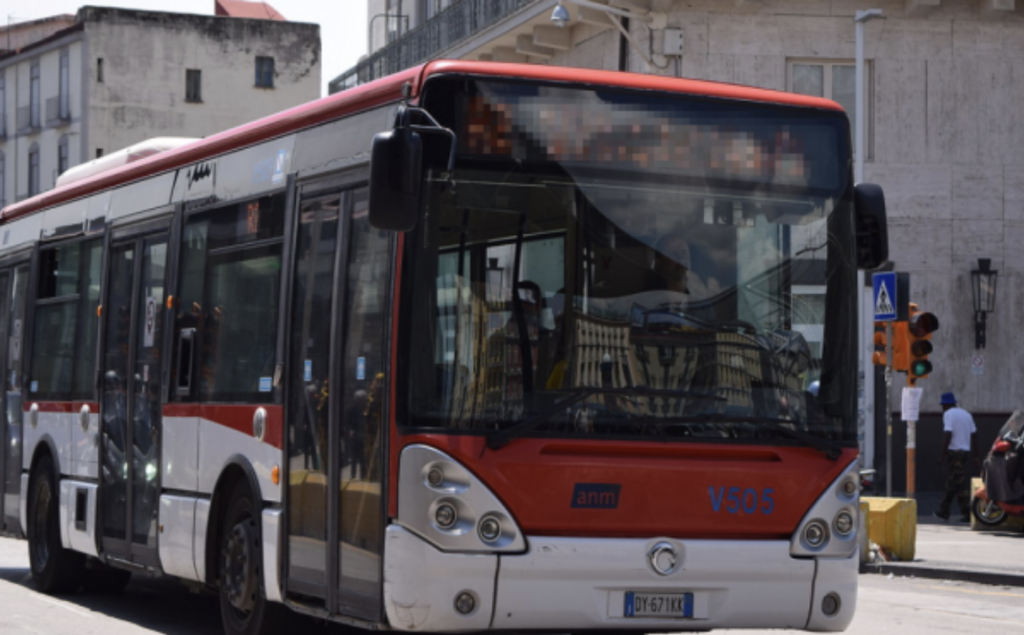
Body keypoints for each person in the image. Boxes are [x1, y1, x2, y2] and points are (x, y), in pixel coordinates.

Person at [934, 391, 977, 523]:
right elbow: (975, 435)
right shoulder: (966, 414)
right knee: (953, 482)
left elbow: (948, 434)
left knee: (959, 484)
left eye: (942, 405)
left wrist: (942, 455)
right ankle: (945, 511)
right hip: (965, 452)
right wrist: (976, 455)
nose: (942, 408)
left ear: (946, 405)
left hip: (954, 453)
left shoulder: (948, 414)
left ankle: (965, 512)